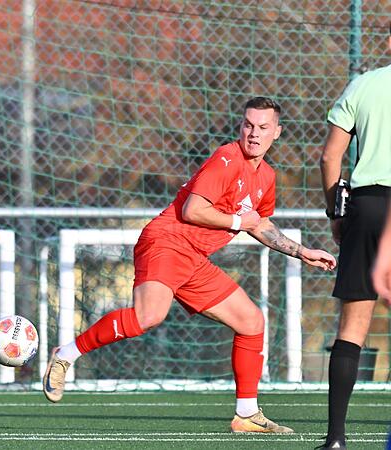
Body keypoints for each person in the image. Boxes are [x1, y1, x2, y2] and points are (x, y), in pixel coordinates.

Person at [43, 97, 337, 434]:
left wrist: (301, 251)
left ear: (277, 133)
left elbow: (259, 224)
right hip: (167, 242)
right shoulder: (227, 158)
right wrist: (239, 221)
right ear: (241, 126)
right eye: (248, 125)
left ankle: (246, 413)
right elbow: (192, 211)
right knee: (148, 316)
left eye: (263, 128)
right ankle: (65, 354)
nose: (253, 134)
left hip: (194, 258)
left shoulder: (265, 176)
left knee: (251, 321)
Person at [319, 23, 391, 450]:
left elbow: (330, 155)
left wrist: (335, 211)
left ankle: (336, 440)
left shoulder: (364, 84)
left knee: (353, 328)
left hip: (367, 207)